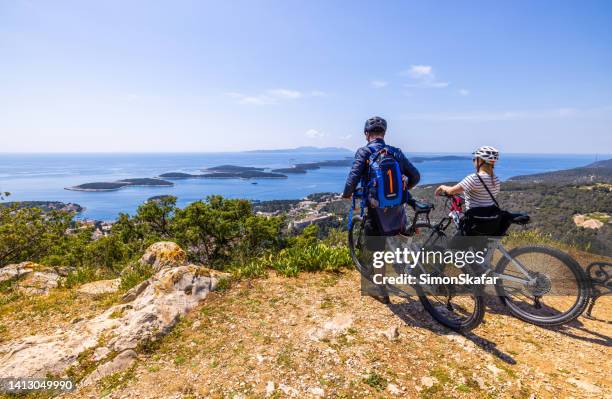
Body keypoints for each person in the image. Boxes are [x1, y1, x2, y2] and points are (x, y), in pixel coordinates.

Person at [342, 116, 421, 303]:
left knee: (377, 249)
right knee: (400, 232)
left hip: (376, 208)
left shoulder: (365, 151)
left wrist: (346, 193)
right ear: (384, 134)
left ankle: (381, 291)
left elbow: (353, 177)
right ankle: (409, 264)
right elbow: (415, 176)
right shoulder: (395, 152)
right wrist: (403, 189)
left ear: (366, 134)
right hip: (397, 205)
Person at [434, 146, 500, 210]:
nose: (473, 161)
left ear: (481, 161)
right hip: (491, 218)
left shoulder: (474, 178)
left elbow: (451, 191)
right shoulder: (496, 179)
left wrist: (441, 187)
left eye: (475, 159)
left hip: (475, 218)